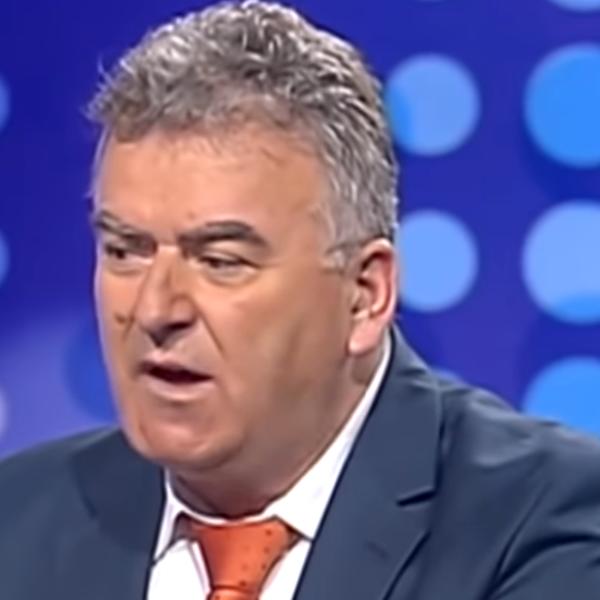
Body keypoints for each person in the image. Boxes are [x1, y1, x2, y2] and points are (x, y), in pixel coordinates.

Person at [2, 1, 600, 598]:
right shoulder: (16, 521)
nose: (156, 311)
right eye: (125, 251)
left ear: (364, 296)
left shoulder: (538, 523)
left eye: (220, 261)